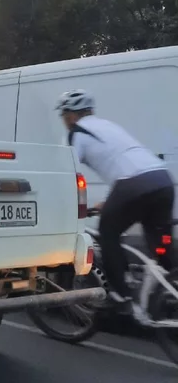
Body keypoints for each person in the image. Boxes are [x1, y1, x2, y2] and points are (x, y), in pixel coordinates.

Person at [56, 89, 175, 320]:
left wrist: (64, 204)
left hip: (133, 186)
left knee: (107, 233)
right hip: (161, 181)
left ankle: (122, 296)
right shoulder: (108, 126)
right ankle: (169, 288)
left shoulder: (75, 134)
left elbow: (65, 173)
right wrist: (109, 201)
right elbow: (122, 161)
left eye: (64, 115)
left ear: (70, 115)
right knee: (161, 248)